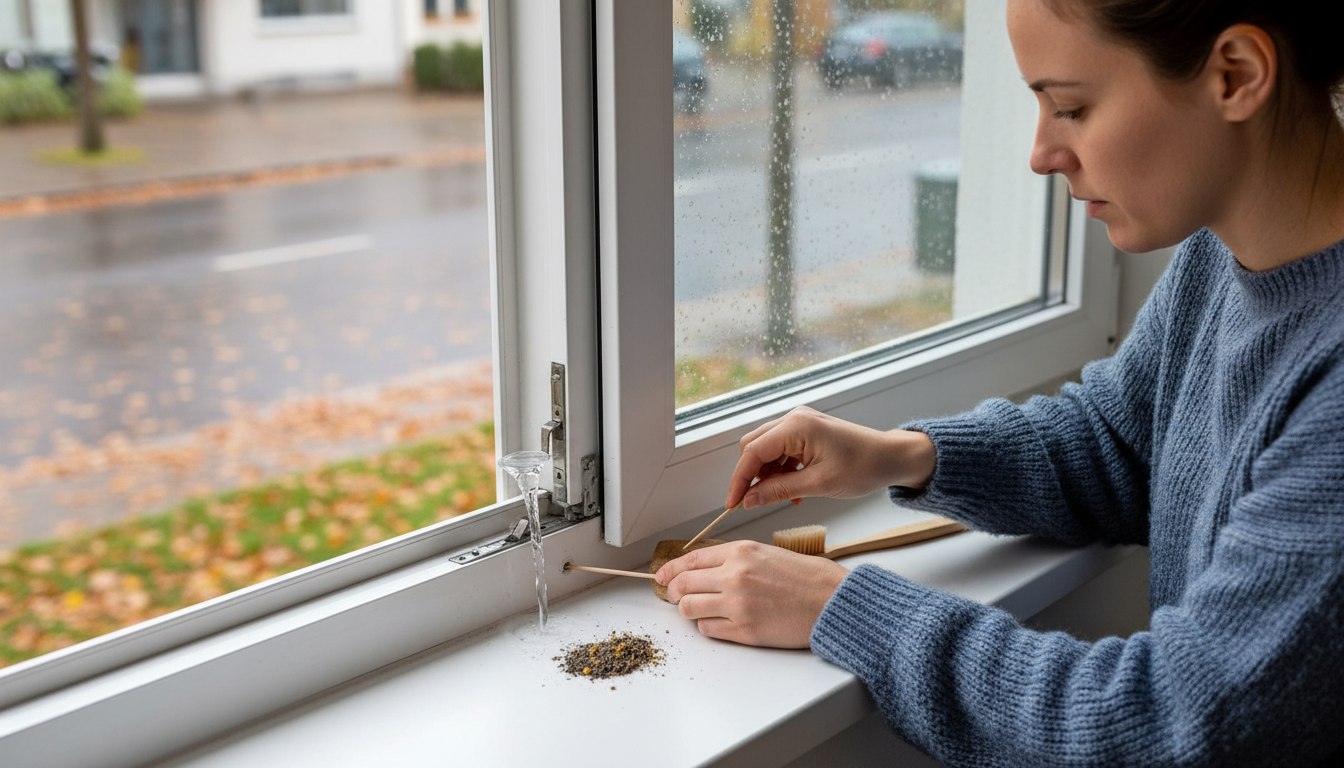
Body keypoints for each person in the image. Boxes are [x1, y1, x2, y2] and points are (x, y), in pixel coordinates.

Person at [655, 0, 1344, 764]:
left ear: (1236, 75)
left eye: (1071, 107)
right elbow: (1123, 441)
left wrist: (836, 604)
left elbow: (1163, 725)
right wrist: (904, 454)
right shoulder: (1224, 257)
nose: (1042, 153)